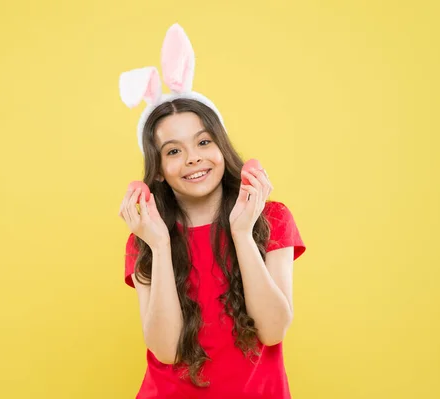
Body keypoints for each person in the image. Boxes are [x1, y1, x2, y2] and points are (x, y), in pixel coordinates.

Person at [118, 23, 306, 399]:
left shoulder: (271, 219)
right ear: (157, 169)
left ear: (221, 146)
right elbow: (166, 350)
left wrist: (241, 232)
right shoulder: (144, 240)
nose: (193, 159)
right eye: (173, 151)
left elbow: (272, 330)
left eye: (203, 141)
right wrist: (158, 244)